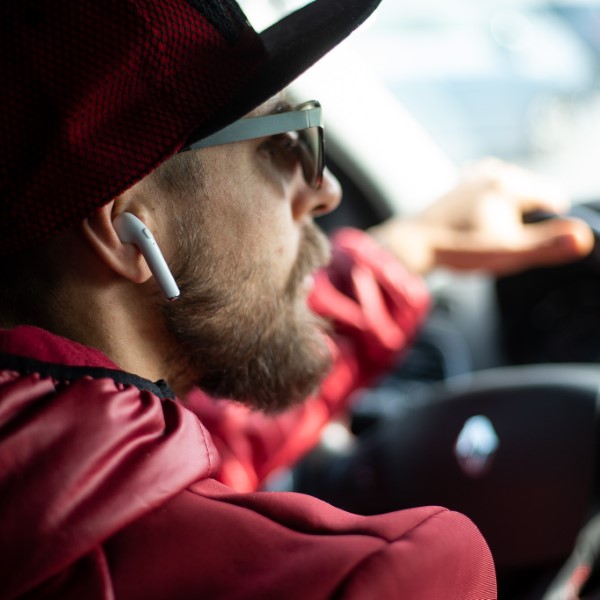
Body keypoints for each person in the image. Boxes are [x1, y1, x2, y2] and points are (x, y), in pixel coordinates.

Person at [0, 1, 592, 598]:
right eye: (282, 143)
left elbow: (147, 464)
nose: (324, 189)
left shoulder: (51, 487)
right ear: (127, 227)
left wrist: (412, 249)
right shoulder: (379, 578)